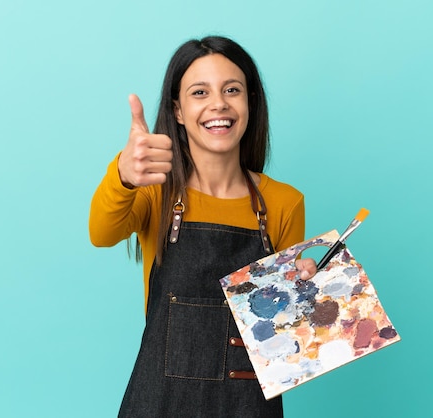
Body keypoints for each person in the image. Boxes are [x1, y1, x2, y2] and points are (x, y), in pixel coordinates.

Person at [89, 36, 316, 418]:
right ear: (178, 111)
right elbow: (101, 233)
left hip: (248, 407)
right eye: (200, 92)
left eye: (232, 90)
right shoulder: (154, 192)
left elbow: (283, 344)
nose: (219, 104)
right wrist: (124, 176)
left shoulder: (284, 203)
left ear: (250, 103)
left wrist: (307, 296)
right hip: (159, 403)